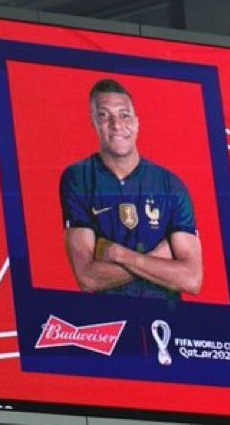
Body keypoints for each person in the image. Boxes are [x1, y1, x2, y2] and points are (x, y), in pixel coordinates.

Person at [59, 79, 203, 299]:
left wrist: (119, 254)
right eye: (104, 116)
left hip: (165, 316)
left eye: (124, 115)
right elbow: (87, 278)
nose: (116, 125)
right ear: (93, 122)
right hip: (108, 318)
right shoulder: (78, 179)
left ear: (137, 123)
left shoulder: (170, 186)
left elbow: (191, 279)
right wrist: (157, 259)